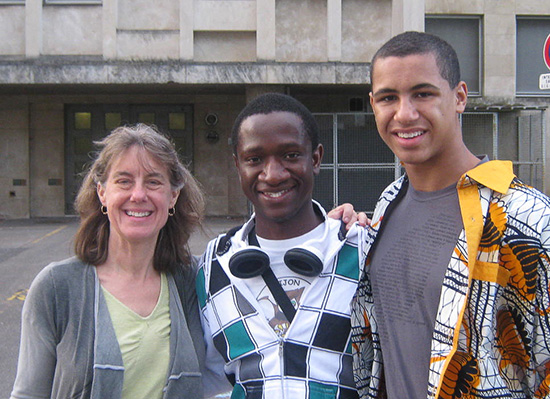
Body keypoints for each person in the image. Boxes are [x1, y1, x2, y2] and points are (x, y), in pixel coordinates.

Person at [345, 31, 550, 398]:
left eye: (423, 93)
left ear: (459, 97)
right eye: (389, 97)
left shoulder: (526, 217)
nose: (404, 114)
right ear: (373, 104)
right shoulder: (387, 205)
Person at [10, 124, 220, 399]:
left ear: (173, 196)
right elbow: (28, 394)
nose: (138, 195)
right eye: (124, 181)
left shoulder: (196, 280)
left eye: (154, 181)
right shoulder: (55, 288)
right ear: (102, 193)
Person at [196, 92, 367, 398]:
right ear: (238, 166)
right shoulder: (213, 264)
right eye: (254, 159)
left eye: (290, 155)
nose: (272, 175)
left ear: (315, 158)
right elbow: (213, 381)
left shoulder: (362, 250)